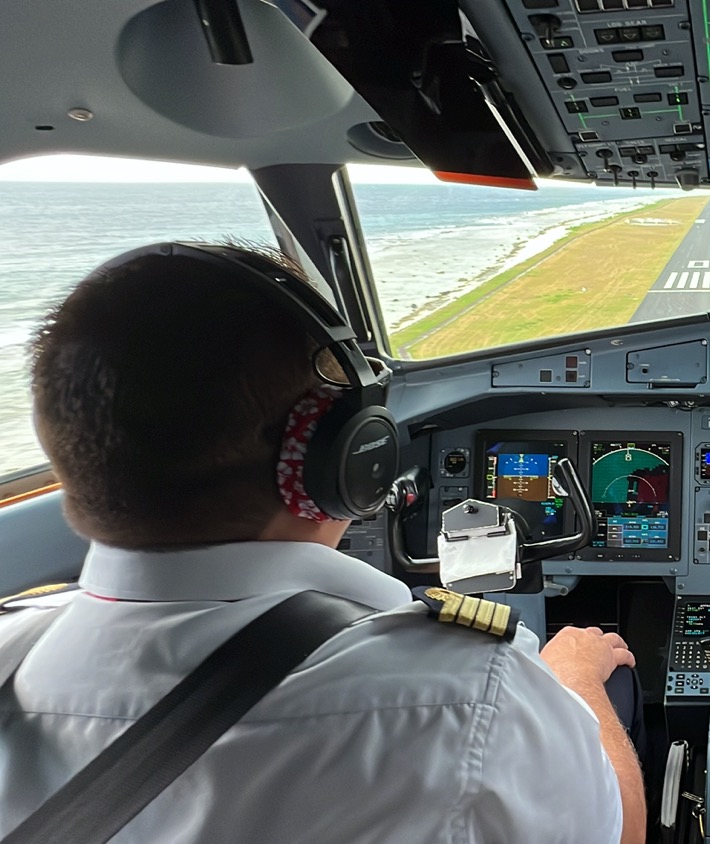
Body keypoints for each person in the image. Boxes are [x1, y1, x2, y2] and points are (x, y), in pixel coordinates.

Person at [0, 244, 645, 843]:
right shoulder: (473, 692)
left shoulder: (11, 649)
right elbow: (621, 832)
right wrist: (575, 683)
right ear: (346, 457)